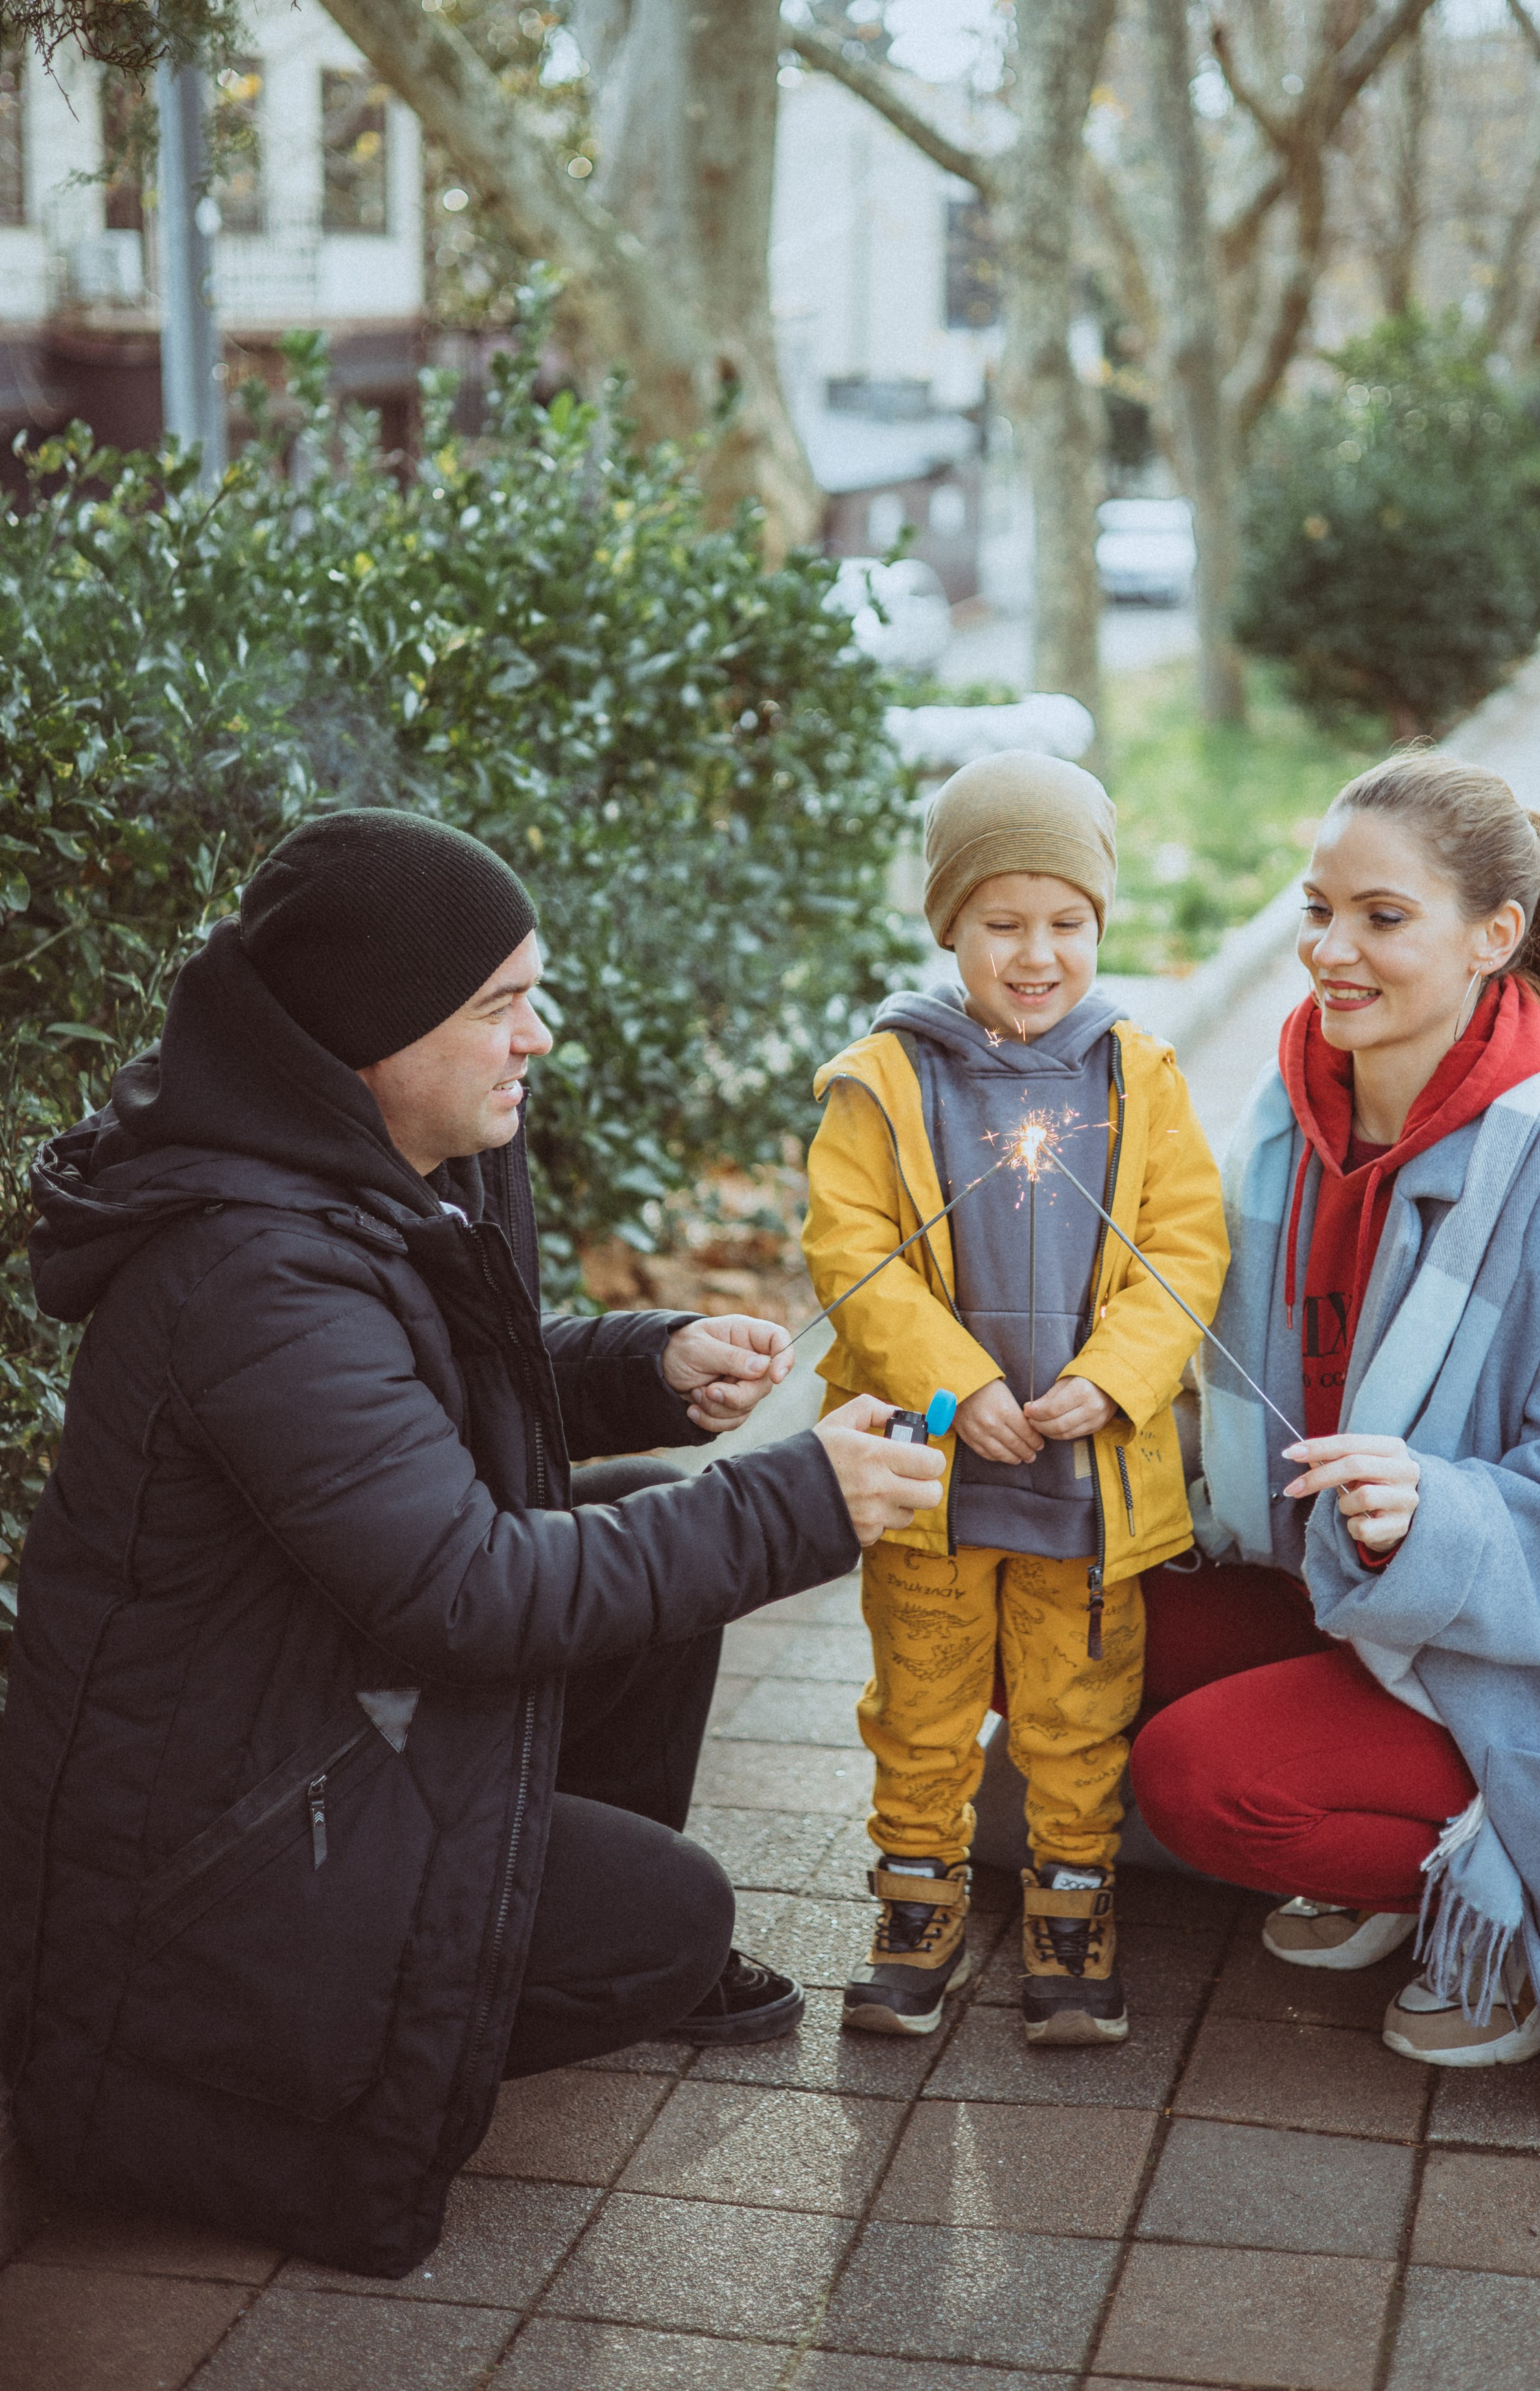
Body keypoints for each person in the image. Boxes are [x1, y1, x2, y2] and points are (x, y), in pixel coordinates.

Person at [0, 809, 942, 2278]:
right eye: (499, 1008)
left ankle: (513, 1911)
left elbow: (405, 1405)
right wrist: (800, 1503)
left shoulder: (334, 1164)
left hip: (297, 1708)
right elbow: (465, 1594)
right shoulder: (252, 1268)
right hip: (201, 1861)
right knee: (670, 1920)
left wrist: (644, 1363)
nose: (540, 1039)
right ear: (367, 1039)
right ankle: (380, 2027)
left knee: (639, 1526)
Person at [1129, 750, 1540, 2131]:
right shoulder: (1280, 1127)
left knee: (1197, 1783)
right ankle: (1378, 1845)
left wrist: (1436, 1507)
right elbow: (1211, 1359)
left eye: (1379, 917)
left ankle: (1508, 1907)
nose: (1327, 950)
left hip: (1530, 1650)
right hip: (1334, 1591)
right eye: (1316, 908)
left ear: (1493, 939)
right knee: (1086, 1642)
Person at [802, 752, 1226, 2044]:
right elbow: (851, 1252)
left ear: (1101, 923)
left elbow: (1186, 1249)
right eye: (1002, 924)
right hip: (937, 1473)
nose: (1035, 954)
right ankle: (916, 1900)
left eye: (1067, 923)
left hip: (1082, 1484)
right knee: (921, 1701)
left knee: (1077, 1705)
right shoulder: (886, 1076)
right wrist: (958, 1380)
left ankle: (1072, 1902)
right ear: (950, 927)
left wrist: (1115, 1378)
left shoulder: (1138, 1077)